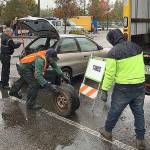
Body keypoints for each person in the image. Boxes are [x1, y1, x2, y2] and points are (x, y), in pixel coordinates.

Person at [99, 29, 145, 150]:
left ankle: (107, 131)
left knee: (115, 111)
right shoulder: (137, 47)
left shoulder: (113, 53)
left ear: (112, 39)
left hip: (123, 88)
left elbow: (109, 74)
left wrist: (104, 90)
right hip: (140, 85)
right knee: (139, 113)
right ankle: (140, 140)